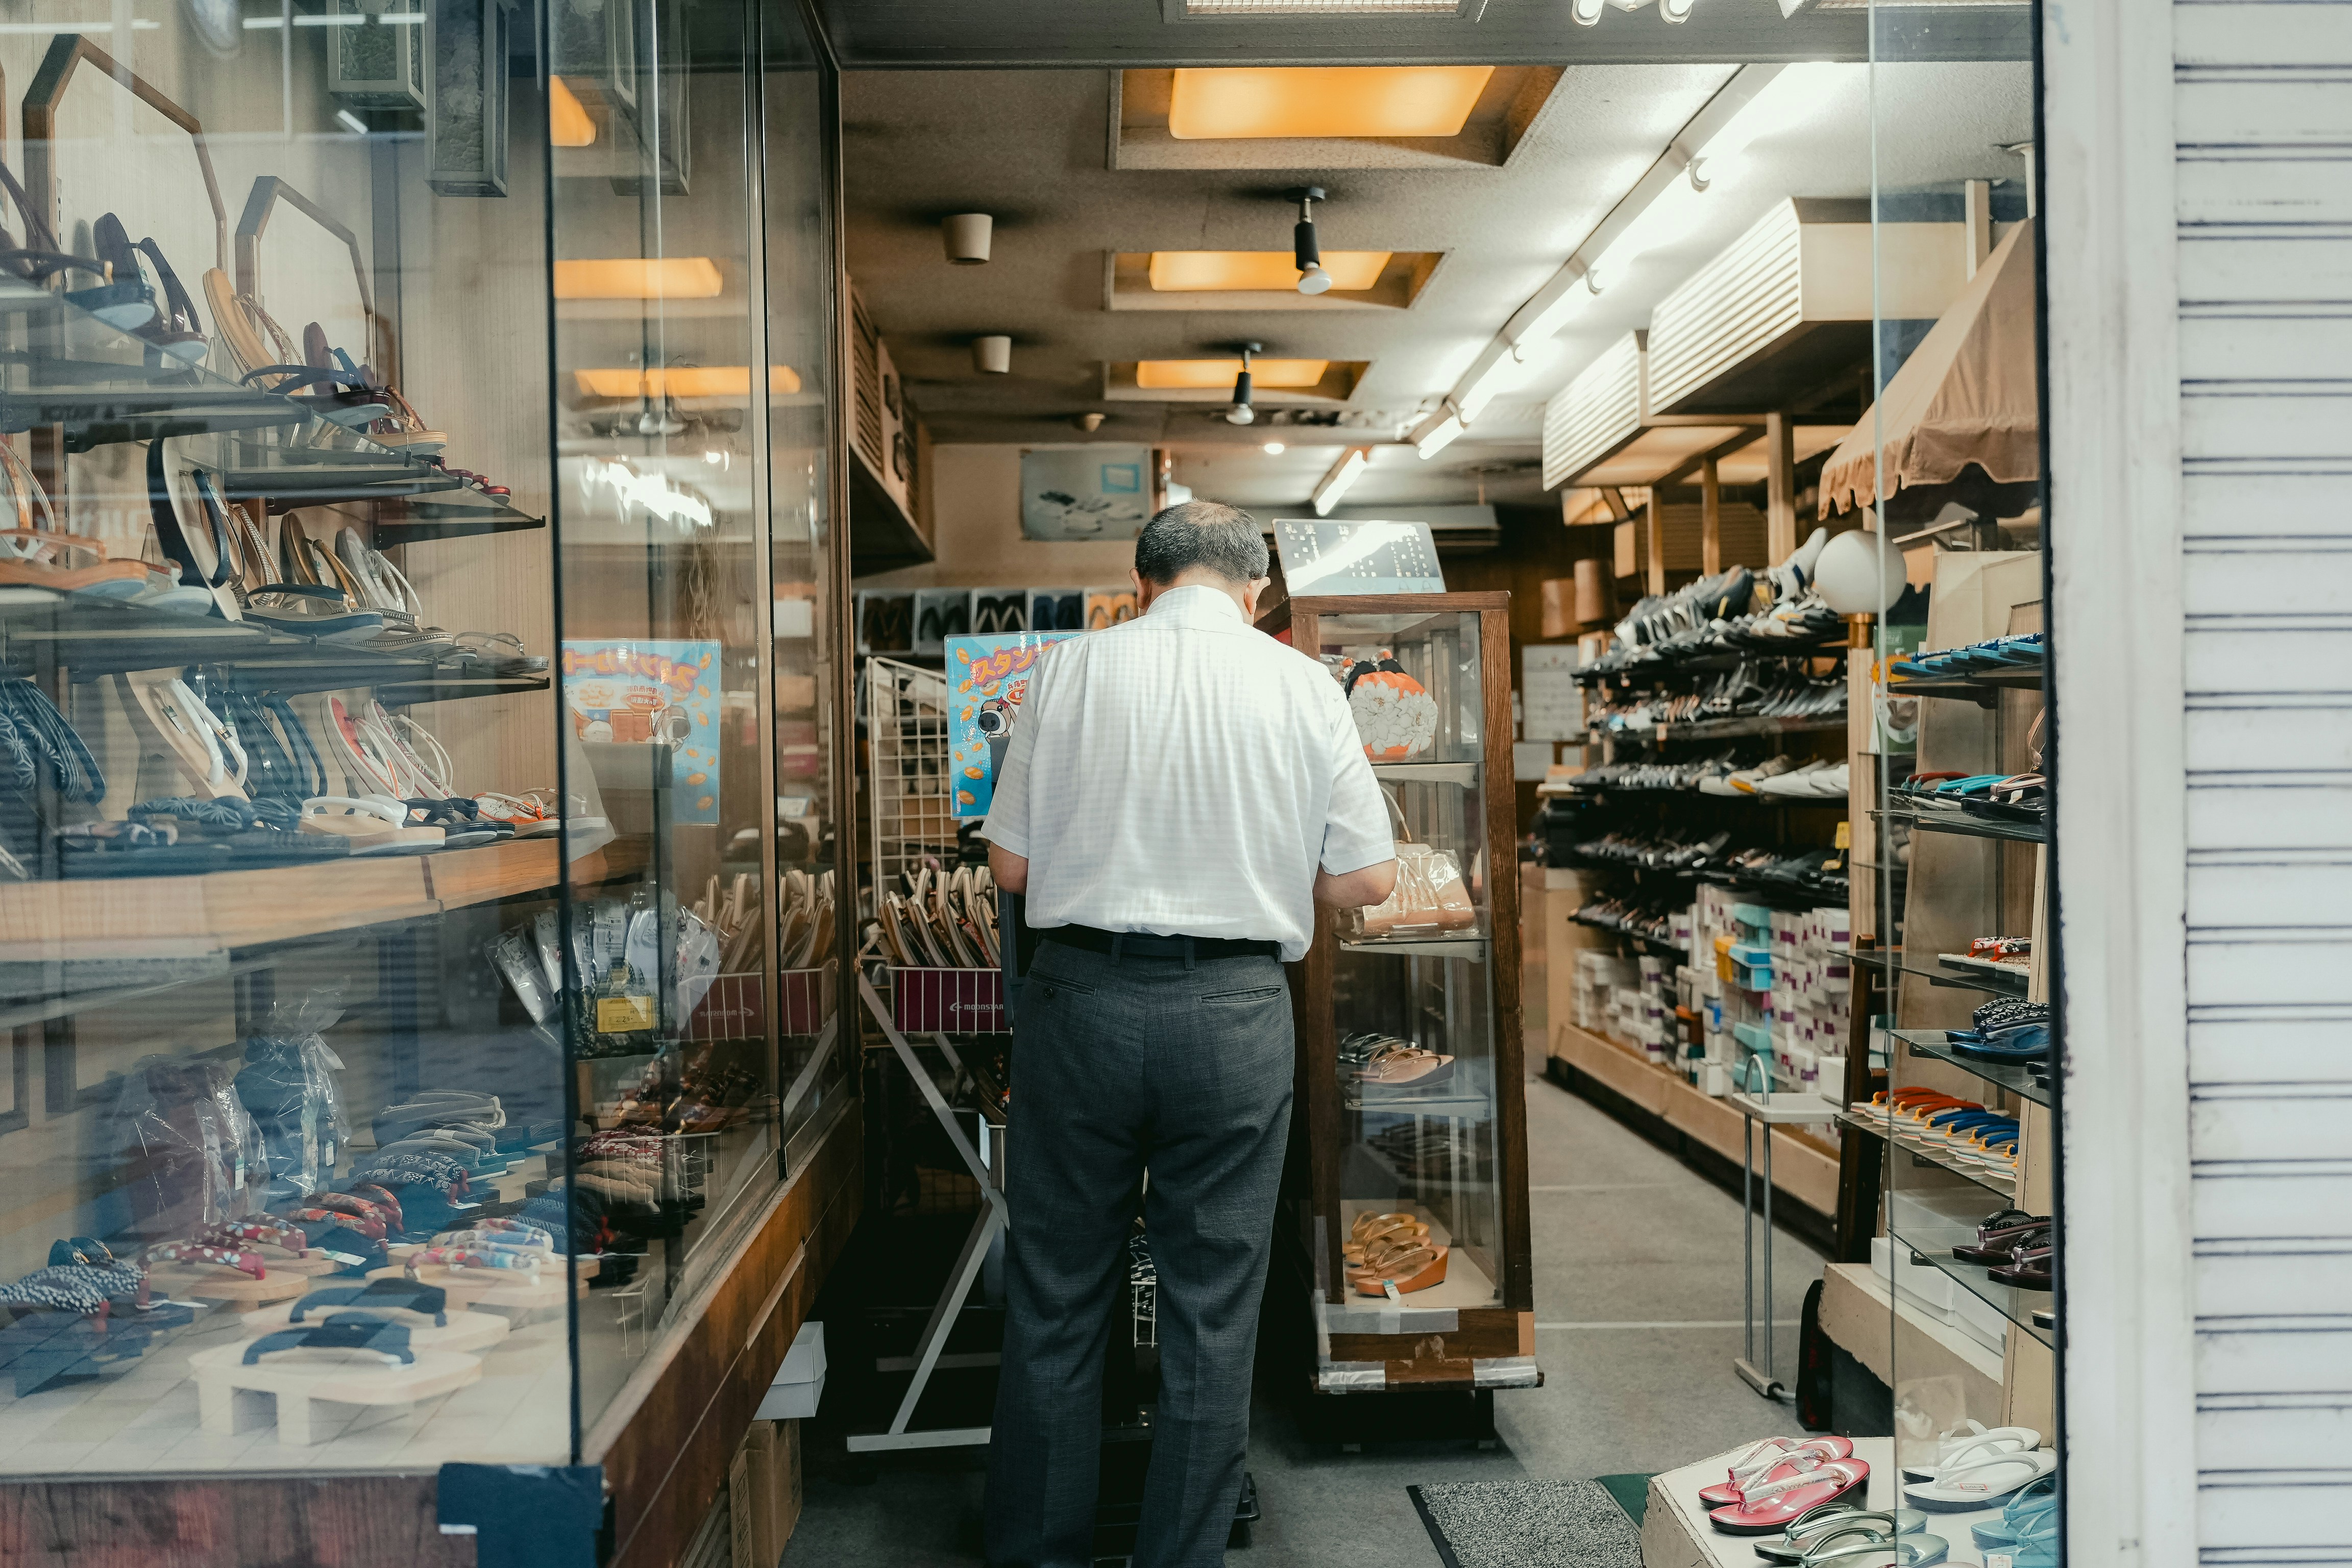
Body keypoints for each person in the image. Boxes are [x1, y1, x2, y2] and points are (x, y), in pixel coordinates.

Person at [978, 501, 1399, 1568]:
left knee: (1058, 1293)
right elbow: (1367, 877)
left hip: (1080, 1005)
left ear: (1142, 581)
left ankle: (1040, 1554)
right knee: (1214, 1311)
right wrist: (1255, 862)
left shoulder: (1065, 672)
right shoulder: (1305, 685)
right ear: (1254, 589)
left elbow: (1013, 870)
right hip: (1234, 1012)